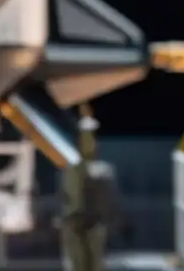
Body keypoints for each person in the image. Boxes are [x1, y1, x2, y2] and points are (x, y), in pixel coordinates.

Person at [60, 105, 114, 271]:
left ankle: (85, 126)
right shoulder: (82, 170)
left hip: (82, 220)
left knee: (82, 259)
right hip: (85, 220)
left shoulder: (79, 170)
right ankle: (86, 127)